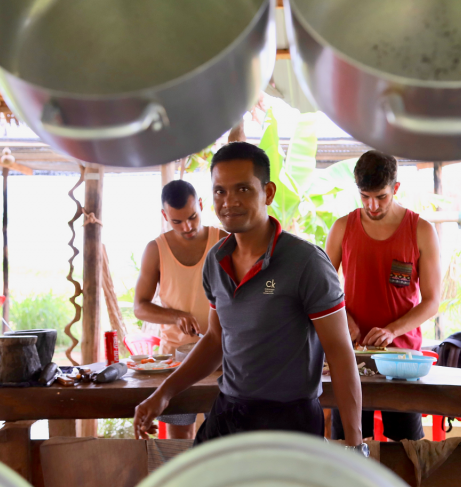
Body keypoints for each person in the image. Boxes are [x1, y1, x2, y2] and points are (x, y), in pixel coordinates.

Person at [133, 142, 364, 451]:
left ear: (267, 192)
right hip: (230, 412)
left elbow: (339, 352)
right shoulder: (215, 261)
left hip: (289, 421)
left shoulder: (306, 262)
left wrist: (355, 444)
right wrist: (163, 393)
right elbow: (216, 339)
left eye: (242, 189)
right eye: (220, 191)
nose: (229, 202)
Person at [325, 150, 442, 441]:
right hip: (351, 356)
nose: (372, 205)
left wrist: (392, 331)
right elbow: (321, 290)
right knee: (346, 445)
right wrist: (344, 318)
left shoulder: (421, 231)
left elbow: (432, 301)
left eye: (381, 197)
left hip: (403, 360)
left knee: (406, 449)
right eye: (364, 196)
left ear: (396, 189)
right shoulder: (342, 228)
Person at [133, 180, 227, 440]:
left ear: (200, 205)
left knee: (222, 436)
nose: (187, 227)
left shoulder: (224, 242)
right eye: (177, 222)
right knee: (178, 439)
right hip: (175, 361)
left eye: (192, 217)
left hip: (222, 359)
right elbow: (140, 307)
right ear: (165, 216)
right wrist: (176, 317)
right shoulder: (155, 250)